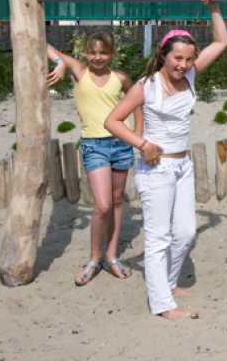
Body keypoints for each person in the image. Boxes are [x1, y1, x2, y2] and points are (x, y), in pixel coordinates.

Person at [104, 0, 227, 320]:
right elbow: (112, 121)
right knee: (158, 237)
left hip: (182, 164)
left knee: (186, 232)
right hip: (155, 167)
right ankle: (161, 305)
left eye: (188, 59)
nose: (183, 65)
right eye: (178, 59)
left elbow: (221, 42)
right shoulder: (146, 85)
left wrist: (213, 8)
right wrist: (142, 144)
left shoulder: (189, 76)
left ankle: (168, 283)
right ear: (164, 55)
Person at [46, 32, 142, 286]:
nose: (98, 57)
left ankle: (111, 256)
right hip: (94, 145)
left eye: (103, 52)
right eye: (93, 52)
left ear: (111, 54)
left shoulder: (120, 78)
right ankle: (93, 258)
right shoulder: (79, 71)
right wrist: (60, 62)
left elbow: (138, 102)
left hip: (121, 144)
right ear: (85, 53)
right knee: (102, 205)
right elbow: (44, 46)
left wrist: (138, 134)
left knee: (117, 200)